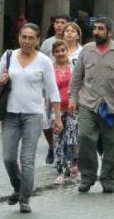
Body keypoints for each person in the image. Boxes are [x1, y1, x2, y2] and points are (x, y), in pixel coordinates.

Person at [0, 23, 62, 213]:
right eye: (23, 37)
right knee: (8, 157)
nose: (26, 41)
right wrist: (1, 80)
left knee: (27, 159)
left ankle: (24, 198)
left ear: (38, 40)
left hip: (33, 115)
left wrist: (57, 117)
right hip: (10, 113)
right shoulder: (8, 56)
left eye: (31, 38)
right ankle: (18, 186)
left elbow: (52, 90)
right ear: (19, 38)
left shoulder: (43, 61)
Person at [69, 16, 114, 194]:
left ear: (110, 32)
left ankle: (108, 178)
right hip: (88, 105)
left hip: (113, 107)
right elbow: (77, 77)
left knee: (112, 145)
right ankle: (87, 177)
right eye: (95, 28)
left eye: (100, 29)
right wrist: (73, 98)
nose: (96, 32)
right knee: (85, 139)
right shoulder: (87, 50)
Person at [42, 21, 83, 165]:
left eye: (73, 31)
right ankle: (58, 158)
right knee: (55, 132)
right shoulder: (52, 58)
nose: (69, 33)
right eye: (67, 31)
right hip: (55, 104)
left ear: (78, 35)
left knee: (72, 137)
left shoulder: (82, 53)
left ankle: (73, 162)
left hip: (74, 102)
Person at [39, 13, 71, 164]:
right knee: (46, 121)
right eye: (56, 22)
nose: (58, 25)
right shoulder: (47, 43)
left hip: (66, 87)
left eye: (62, 22)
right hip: (49, 88)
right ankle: (52, 146)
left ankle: (67, 155)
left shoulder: (71, 41)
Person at [50, 40, 79, 185]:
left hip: (73, 109)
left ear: (67, 51)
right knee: (58, 141)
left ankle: (73, 167)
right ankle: (60, 171)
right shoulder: (50, 68)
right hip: (56, 110)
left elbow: (80, 84)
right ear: (53, 53)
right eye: (57, 51)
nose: (60, 53)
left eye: (63, 50)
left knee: (72, 140)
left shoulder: (74, 67)